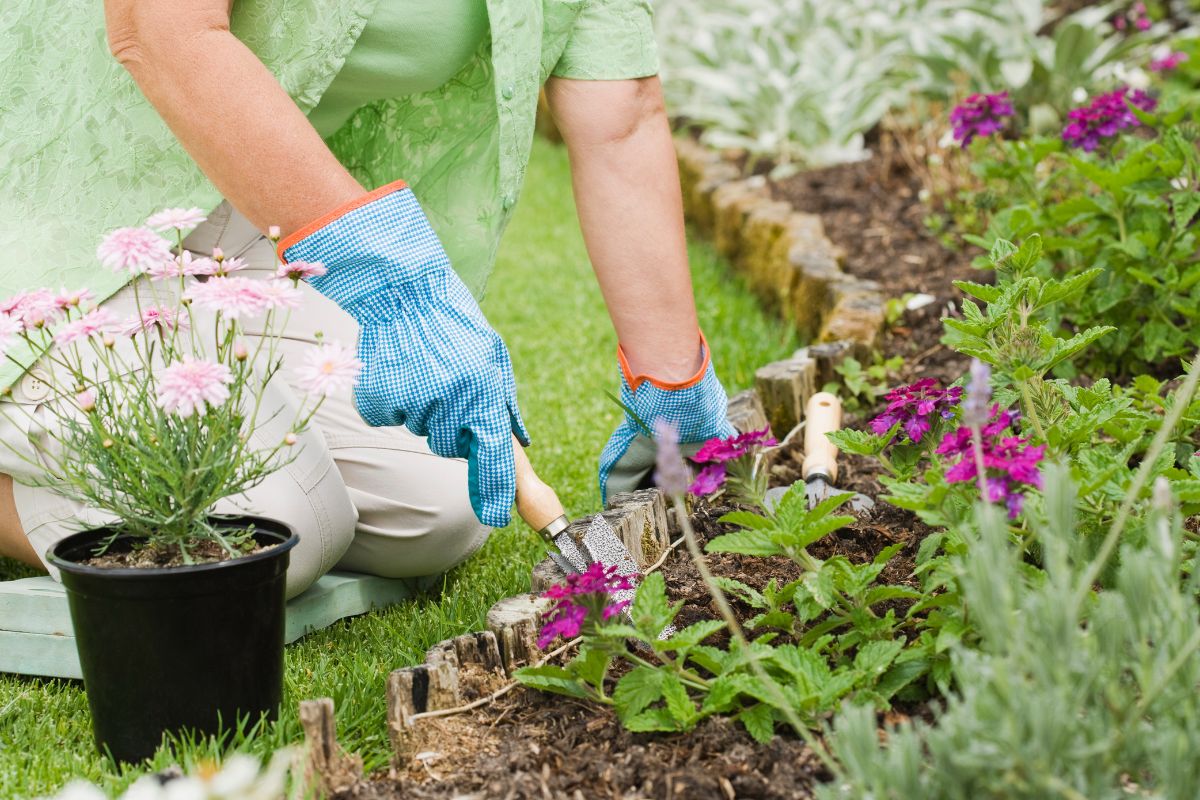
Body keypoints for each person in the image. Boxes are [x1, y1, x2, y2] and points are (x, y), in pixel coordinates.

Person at [0, 0, 735, 596]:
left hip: (242, 215)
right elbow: (157, 29)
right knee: (273, 530)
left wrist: (671, 379)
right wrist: (390, 280)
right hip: (50, 210)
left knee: (442, 510)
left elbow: (623, 112)